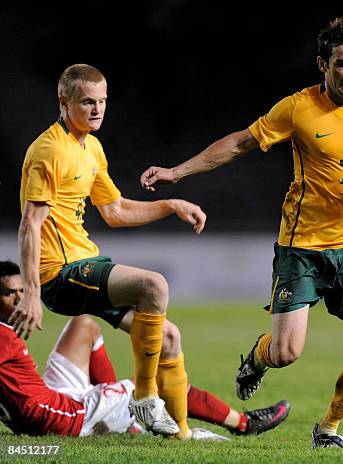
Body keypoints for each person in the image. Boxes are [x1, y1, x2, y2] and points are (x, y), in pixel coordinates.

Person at [140, 17, 343, 448]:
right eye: (341, 64)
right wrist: (179, 172)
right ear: (322, 65)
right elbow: (239, 143)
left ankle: (327, 428)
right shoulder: (298, 108)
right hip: (302, 247)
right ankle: (257, 356)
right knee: (287, 353)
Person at [14, 63, 209, 439]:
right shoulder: (49, 150)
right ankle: (145, 395)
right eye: (87, 102)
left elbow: (115, 211)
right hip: (60, 273)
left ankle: (181, 434)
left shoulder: (91, 147)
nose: (97, 109)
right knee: (154, 286)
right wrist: (33, 293)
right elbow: (29, 225)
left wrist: (171, 205)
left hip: (86, 263)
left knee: (168, 337)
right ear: (63, 101)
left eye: (102, 101)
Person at [0, 261, 289, 438]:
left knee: (84, 325)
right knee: (152, 390)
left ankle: (116, 411)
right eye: (9, 292)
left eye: (23, 290)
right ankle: (242, 423)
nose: (19, 298)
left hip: (50, 397)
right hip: (63, 416)